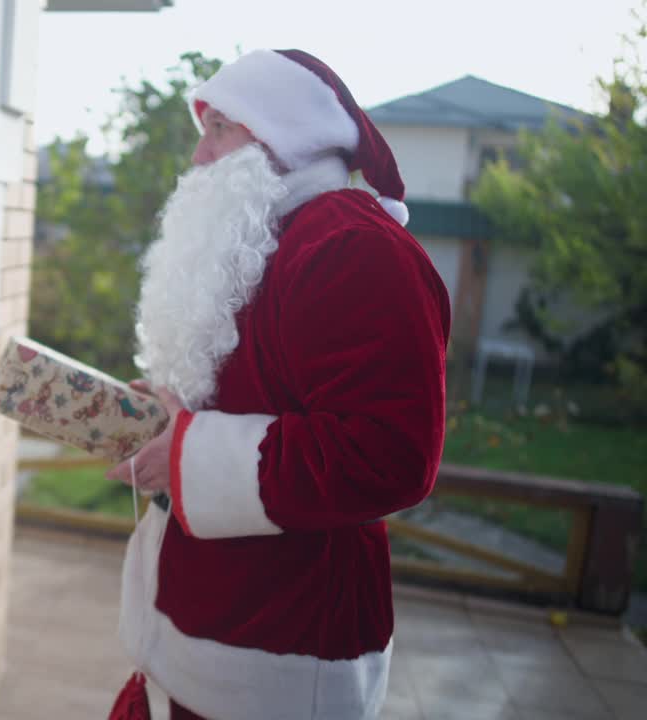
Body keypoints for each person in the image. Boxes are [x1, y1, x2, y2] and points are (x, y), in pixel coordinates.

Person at [104, 49, 451, 720]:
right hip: (204, 621)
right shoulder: (269, 234)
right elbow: (251, 389)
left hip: (282, 640)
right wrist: (165, 422)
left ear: (279, 132)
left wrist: (188, 458)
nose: (200, 157)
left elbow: (392, 455)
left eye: (219, 130)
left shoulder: (354, 247)